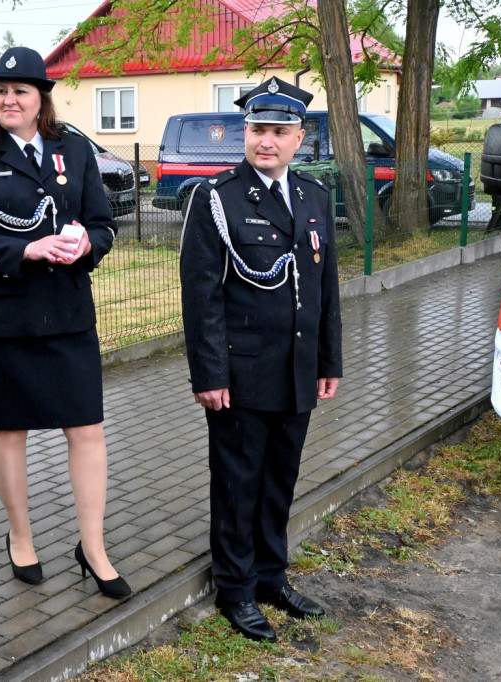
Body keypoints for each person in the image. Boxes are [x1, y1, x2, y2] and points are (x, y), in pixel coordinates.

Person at [0, 46, 130, 599]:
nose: (8, 99)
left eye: (20, 91)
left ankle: (92, 547)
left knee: (87, 430)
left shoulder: (73, 147)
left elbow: (103, 224)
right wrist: (26, 250)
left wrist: (83, 246)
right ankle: (20, 536)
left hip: (69, 309)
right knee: (10, 429)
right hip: (9, 311)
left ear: (39, 97)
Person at [179, 77, 342, 642]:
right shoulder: (218, 199)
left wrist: (329, 361)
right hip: (240, 373)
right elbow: (202, 297)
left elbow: (326, 291)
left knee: (280, 479)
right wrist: (209, 374)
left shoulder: (314, 198)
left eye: (278, 132)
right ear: (244, 133)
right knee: (237, 482)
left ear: (300, 137)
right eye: (256, 130)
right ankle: (237, 589)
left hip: (296, 369)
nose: (265, 142)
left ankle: (272, 576)